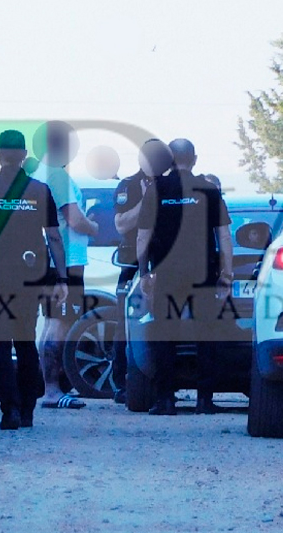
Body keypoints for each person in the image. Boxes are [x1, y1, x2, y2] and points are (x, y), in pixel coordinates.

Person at [0, 130, 68, 430]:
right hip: (30, 280)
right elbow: (55, 238)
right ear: (23, 156)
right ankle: (27, 409)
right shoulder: (38, 190)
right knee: (24, 342)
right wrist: (61, 277)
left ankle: (8, 410)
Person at [136, 138, 233, 415]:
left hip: (165, 274)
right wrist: (226, 274)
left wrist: (144, 273)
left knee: (165, 334)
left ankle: (166, 399)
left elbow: (143, 236)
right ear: (194, 158)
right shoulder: (209, 189)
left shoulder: (156, 189)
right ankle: (204, 400)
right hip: (203, 273)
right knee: (206, 336)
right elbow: (223, 235)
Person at [31, 121, 99, 410]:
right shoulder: (56, 176)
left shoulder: (37, 173)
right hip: (66, 262)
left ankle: (48, 386)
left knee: (50, 323)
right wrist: (94, 225)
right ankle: (52, 390)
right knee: (59, 323)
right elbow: (74, 219)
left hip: (49, 260)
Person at [111, 140, 175, 405]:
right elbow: (121, 224)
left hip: (167, 265)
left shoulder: (175, 185)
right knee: (125, 326)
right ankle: (121, 383)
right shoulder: (129, 185)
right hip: (133, 266)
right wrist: (147, 201)